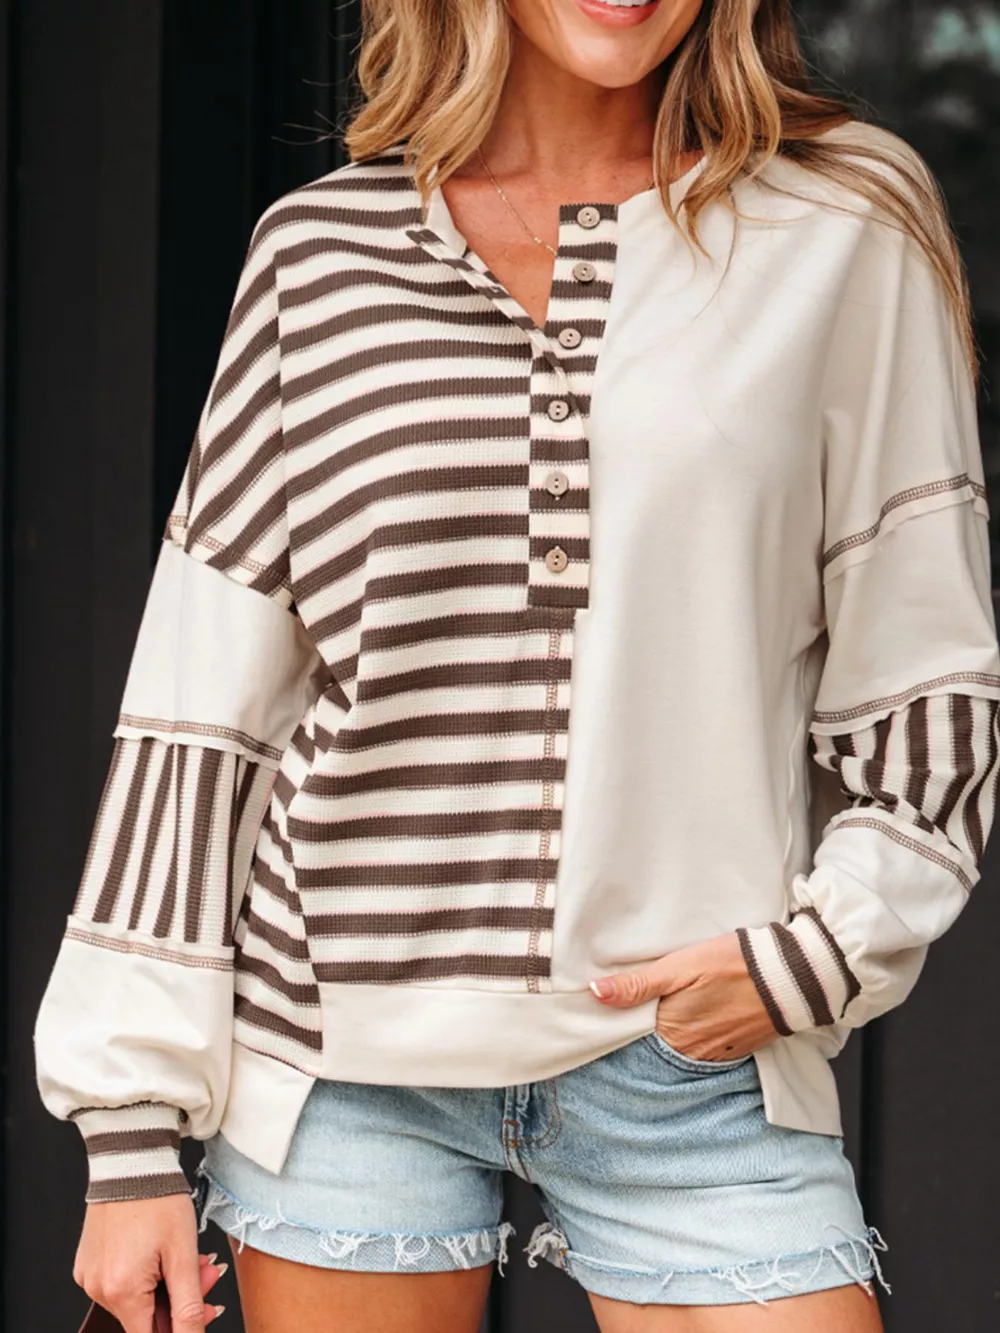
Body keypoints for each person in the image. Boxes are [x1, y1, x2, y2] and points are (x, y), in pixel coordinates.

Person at [33, 0, 1000, 1329]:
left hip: (692, 1063)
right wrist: (131, 1126)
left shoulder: (843, 229)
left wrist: (820, 954)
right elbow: (205, 706)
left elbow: (926, 676)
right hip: (345, 1067)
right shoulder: (318, 254)